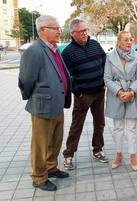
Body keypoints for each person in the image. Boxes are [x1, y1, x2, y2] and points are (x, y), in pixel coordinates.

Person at [18, 15, 71, 191]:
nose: (59, 31)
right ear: (42, 30)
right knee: (40, 144)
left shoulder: (53, 48)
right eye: (55, 28)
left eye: (58, 27)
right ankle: (39, 177)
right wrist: (35, 97)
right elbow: (26, 80)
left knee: (55, 141)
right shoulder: (34, 50)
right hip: (42, 106)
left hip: (57, 104)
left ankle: (51, 168)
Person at [61, 19, 108, 170]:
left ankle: (98, 149)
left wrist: (105, 82)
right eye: (81, 31)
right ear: (73, 33)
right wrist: (78, 92)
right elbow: (67, 76)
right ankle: (68, 155)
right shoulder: (68, 52)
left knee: (99, 122)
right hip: (83, 95)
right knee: (77, 126)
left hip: (99, 92)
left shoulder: (94, 44)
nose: (85, 34)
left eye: (86, 30)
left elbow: (104, 61)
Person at [104, 31, 137, 171]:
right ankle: (118, 155)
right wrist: (119, 92)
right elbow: (107, 78)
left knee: (131, 129)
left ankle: (133, 156)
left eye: (131, 39)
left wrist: (131, 92)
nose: (129, 42)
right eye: (126, 40)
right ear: (119, 42)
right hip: (117, 96)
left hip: (132, 95)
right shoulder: (110, 57)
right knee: (118, 128)